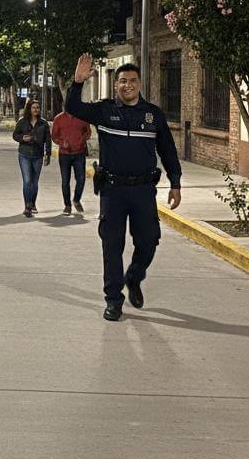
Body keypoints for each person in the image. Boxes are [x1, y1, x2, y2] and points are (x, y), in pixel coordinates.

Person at [66, 54, 182, 321]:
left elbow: (167, 150)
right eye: (121, 81)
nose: (127, 85)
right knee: (111, 245)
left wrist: (175, 182)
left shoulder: (153, 115)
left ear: (140, 84)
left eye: (132, 81)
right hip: (113, 190)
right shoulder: (104, 111)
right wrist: (77, 82)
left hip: (143, 191)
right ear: (115, 84)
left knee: (149, 241)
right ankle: (113, 300)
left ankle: (134, 276)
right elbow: (73, 107)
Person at [12, 98, 51, 218]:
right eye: (34, 107)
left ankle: (33, 203)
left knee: (34, 182)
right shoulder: (22, 121)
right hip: (24, 154)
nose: (36, 110)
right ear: (29, 109)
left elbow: (48, 140)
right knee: (27, 181)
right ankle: (27, 206)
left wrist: (48, 154)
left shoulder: (43, 123)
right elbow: (15, 135)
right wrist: (23, 138)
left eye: (38, 108)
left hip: (38, 155)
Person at [51, 108, 91, 215]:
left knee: (81, 179)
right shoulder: (58, 118)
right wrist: (61, 142)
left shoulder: (82, 117)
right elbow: (54, 136)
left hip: (79, 153)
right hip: (64, 154)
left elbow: (88, 132)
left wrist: (82, 140)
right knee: (65, 181)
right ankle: (67, 205)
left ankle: (76, 200)